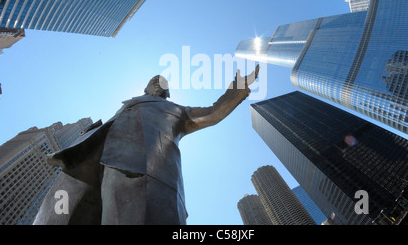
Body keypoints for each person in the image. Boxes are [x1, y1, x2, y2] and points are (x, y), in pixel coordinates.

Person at [34, 66, 259, 225]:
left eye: (161, 82)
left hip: (145, 168)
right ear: (146, 87)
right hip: (98, 160)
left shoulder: (177, 111)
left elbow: (213, 113)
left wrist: (237, 90)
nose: (157, 83)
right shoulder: (128, 104)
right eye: (154, 80)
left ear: (166, 92)